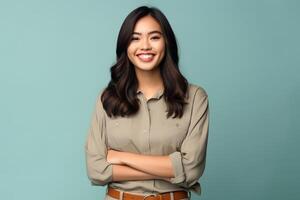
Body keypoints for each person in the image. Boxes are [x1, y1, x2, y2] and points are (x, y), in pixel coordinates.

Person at [84, 5, 210, 200]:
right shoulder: (107, 98)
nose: (145, 46)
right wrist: (171, 168)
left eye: (154, 37)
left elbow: (191, 169)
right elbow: (96, 169)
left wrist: (121, 157)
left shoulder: (194, 98)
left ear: (166, 42)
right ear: (125, 46)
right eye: (135, 38)